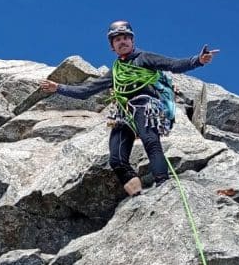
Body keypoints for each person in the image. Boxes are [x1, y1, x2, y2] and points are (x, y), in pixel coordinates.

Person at [39, 20, 218, 196]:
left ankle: (163, 183)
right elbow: (87, 91)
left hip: (145, 105)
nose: (122, 41)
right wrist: (58, 88)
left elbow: (173, 65)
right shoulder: (115, 71)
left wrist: (198, 60)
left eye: (125, 37)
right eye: (117, 39)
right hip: (123, 112)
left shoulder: (145, 58)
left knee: (150, 141)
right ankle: (137, 194)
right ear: (112, 47)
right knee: (116, 159)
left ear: (132, 40)